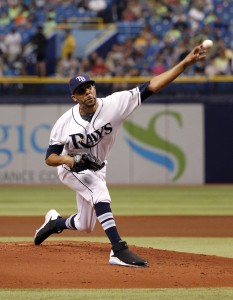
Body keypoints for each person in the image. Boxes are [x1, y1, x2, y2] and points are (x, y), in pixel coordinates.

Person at [34, 43, 207, 267]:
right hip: (71, 169)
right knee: (98, 192)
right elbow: (50, 158)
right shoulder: (64, 123)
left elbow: (152, 86)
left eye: (90, 87)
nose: (88, 92)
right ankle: (117, 249)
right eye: (81, 91)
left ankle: (55, 222)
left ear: (94, 88)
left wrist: (184, 63)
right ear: (73, 97)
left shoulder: (114, 104)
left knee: (86, 224)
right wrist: (70, 160)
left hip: (97, 168)